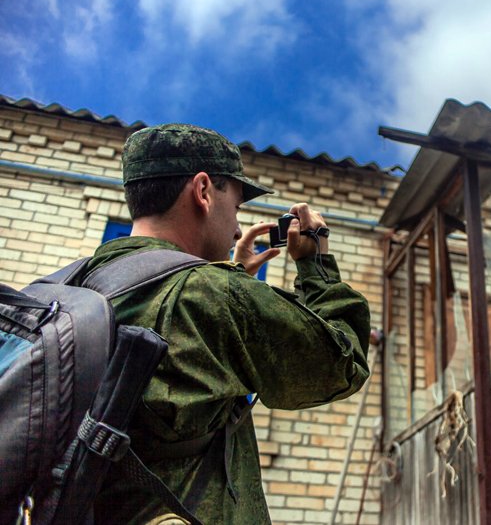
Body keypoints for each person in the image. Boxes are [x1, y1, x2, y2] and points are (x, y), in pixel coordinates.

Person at [88, 123, 371, 524]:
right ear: (203, 191)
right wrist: (316, 265)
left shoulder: (77, 283)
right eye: (236, 208)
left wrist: (231, 271)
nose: (238, 228)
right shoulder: (213, 295)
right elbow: (342, 364)